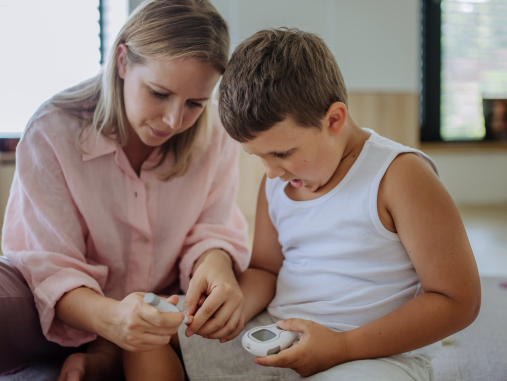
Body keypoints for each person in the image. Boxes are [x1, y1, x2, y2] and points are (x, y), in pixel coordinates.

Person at [0, 0, 250, 381]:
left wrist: (218, 267)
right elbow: (49, 270)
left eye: (195, 103)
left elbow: (212, 231)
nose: (174, 120)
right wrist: (111, 321)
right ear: (122, 62)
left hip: (167, 315)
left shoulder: (217, 136)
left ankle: (109, 356)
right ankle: (107, 352)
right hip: (53, 311)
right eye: (159, 93)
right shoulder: (52, 131)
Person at [176, 28, 481, 380]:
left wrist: (342, 346)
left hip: (371, 354)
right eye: (256, 156)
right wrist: (233, 308)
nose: (271, 171)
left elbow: (459, 300)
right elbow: (265, 270)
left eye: (282, 153)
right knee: (153, 341)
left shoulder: (400, 176)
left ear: (334, 120)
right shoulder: (276, 182)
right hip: (277, 335)